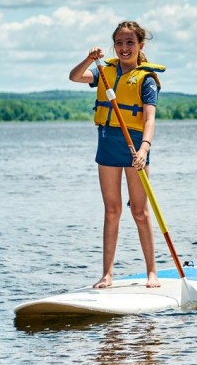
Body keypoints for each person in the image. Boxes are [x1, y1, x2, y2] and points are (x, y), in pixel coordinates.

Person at [68, 20, 165, 289]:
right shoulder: (104, 71)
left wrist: (144, 148)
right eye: (119, 43)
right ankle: (107, 274)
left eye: (130, 42)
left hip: (135, 147)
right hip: (108, 143)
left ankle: (152, 273)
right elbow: (75, 77)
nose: (124, 48)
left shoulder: (147, 80)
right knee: (112, 211)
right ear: (114, 46)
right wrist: (89, 59)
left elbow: (149, 119)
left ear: (140, 45)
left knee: (140, 212)